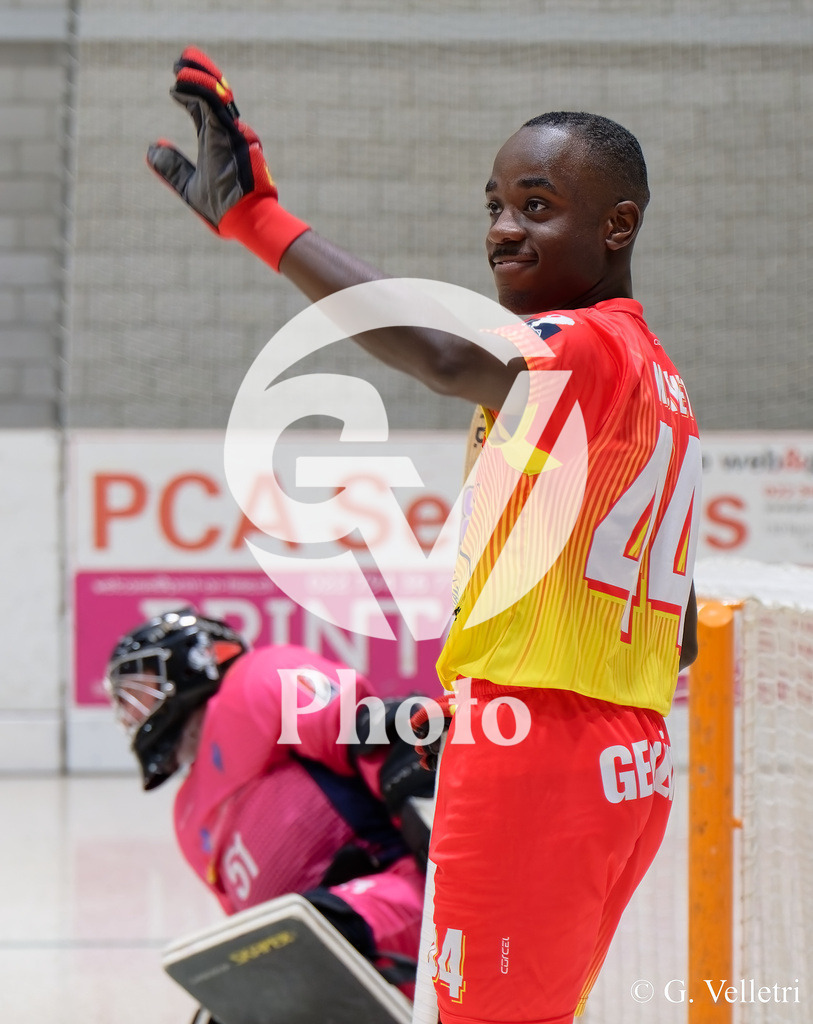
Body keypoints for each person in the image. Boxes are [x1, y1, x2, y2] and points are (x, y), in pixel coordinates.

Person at [147, 48, 701, 1024]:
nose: (501, 229)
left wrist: (258, 220)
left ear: (619, 226)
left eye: (537, 205)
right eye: (494, 203)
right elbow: (681, 633)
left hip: (536, 754)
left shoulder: (579, 347)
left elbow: (444, 350)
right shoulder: (660, 387)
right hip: (633, 764)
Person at [105, 606, 434, 1004]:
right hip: (320, 943)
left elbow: (372, 732)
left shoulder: (256, 679)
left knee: (293, 944)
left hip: (400, 895)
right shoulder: (185, 818)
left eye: (141, 690)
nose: (133, 712)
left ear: (193, 661)